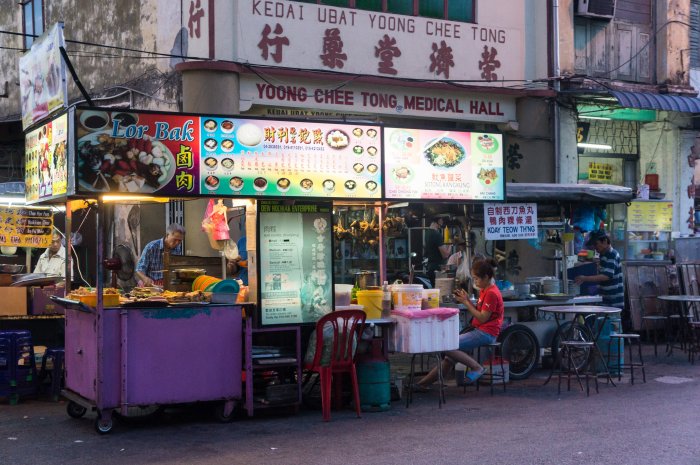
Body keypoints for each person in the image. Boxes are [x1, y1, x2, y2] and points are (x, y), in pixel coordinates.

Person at [414, 258, 504, 390]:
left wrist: (466, 303)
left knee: (446, 345)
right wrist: (467, 299)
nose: (475, 282)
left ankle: (477, 368)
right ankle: (422, 385)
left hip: (486, 333)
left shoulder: (491, 293)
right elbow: (480, 311)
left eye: (477, 279)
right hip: (480, 330)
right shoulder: (485, 290)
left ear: (486, 277)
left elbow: (483, 318)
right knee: (449, 358)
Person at [574, 231, 624, 310]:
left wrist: (584, 278)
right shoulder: (603, 255)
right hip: (604, 299)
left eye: (596, 244)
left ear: (605, 241)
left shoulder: (612, 254)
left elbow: (606, 276)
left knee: (611, 321)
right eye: (594, 245)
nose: (595, 247)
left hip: (613, 302)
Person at [424, 217, 450, 286]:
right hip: (437, 269)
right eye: (442, 220)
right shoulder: (436, 234)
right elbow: (445, 255)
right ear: (438, 220)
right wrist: (450, 244)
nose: (443, 222)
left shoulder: (427, 233)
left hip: (430, 267)